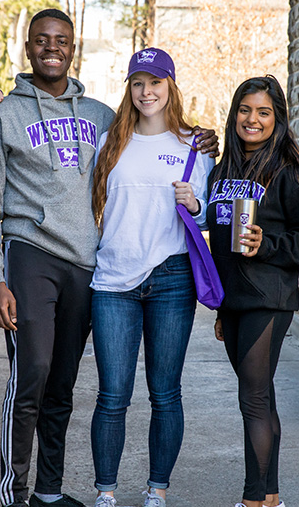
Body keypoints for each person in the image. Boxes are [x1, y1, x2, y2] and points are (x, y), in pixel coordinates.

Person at [0, 9, 219, 507]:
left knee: (64, 383)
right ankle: (15, 494)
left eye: (60, 40)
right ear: (28, 46)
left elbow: (175, 163)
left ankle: (48, 491)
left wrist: (203, 142)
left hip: (92, 264)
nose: (51, 47)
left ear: (73, 47)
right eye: (41, 39)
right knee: (35, 372)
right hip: (38, 254)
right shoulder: (8, 118)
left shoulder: (102, 119)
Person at [88, 48, 214, 507]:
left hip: (172, 278)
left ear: (171, 86)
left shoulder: (194, 147)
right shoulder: (109, 144)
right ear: (129, 88)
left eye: (155, 82)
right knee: (112, 395)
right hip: (113, 282)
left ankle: (156, 489)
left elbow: (207, 215)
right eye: (138, 83)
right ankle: (106, 492)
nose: (147, 92)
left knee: (165, 393)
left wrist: (195, 205)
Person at [206, 75, 299, 507]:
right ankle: (271, 495)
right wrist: (220, 307)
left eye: (263, 112)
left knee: (252, 399)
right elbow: (219, 244)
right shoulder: (222, 170)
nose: (252, 119)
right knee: (262, 396)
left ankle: (252, 500)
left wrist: (269, 244)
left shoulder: (286, 171)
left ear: (276, 119)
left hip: (268, 298)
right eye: (245, 110)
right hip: (234, 301)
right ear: (234, 114)